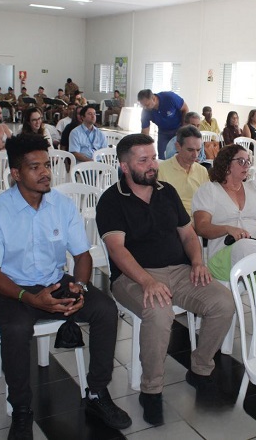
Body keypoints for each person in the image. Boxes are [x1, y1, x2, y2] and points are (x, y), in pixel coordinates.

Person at [0, 133, 132, 438]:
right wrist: (29, 298)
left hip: (54, 281)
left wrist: (79, 287)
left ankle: (97, 393)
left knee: (105, 310)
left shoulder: (62, 205)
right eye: (34, 167)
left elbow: (82, 255)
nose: (45, 172)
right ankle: (21, 410)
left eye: (47, 165)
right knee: (16, 329)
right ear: (16, 173)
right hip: (12, 289)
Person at [95, 134, 234, 426]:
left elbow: (188, 234)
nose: (152, 165)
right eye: (143, 160)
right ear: (124, 166)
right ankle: (151, 389)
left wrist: (197, 262)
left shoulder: (166, 191)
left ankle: (200, 369)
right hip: (134, 277)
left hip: (180, 271)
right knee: (159, 312)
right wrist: (147, 281)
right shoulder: (111, 200)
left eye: (153, 158)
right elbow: (117, 250)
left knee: (223, 302)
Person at [192, 145, 256, 342]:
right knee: (247, 248)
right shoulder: (209, 190)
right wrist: (227, 229)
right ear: (226, 164)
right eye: (241, 161)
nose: (246, 165)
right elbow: (201, 227)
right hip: (223, 258)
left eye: (248, 161)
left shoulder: (253, 188)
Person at [158, 125, 209, 215]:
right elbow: (162, 206)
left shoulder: (202, 171)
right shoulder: (162, 169)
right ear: (178, 146)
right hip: (174, 219)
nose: (195, 155)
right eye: (190, 150)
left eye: (198, 150)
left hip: (200, 219)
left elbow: (207, 202)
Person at [138, 89, 189, 160]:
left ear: (153, 98)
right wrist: (144, 148)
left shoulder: (169, 98)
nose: (145, 108)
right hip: (163, 132)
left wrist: (183, 129)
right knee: (162, 156)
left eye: (147, 105)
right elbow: (145, 131)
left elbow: (185, 109)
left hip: (178, 129)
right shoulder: (146, 111)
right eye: (143, 106)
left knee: (179, 155)